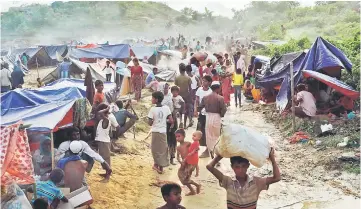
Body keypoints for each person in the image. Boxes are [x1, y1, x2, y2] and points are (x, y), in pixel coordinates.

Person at [206, 149, 281, 209]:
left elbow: (277, 178)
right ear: (232, 167)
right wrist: (221, 154)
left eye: (243, 166)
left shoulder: (257, 182)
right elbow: (209, 167)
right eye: (237, 167)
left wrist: (272, 159)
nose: (240, 170)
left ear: (248, 166)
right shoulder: (228, 181)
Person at [199, 81, 227, 159]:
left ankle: (211, 153)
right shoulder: (220, 98)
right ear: (218, 88)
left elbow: (200, 107)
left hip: (208, 117)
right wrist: (221, 115)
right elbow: (223, 109)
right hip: (216, 117)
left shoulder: (205, 97)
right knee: (217, 137)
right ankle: (216, 156)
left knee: (209, 137)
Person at [148, 91, 174, 174]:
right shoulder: (166, 108)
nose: (151, 99)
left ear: (156, 99)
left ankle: (156, 165)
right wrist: (163, 120)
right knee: (163, 149)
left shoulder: (152, 109)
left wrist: (150, 120)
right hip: (163, 131)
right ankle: (161, 167)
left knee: (155, 149)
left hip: (155, 131)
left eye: (152, 98)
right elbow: (171, 120)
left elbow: (150, 123)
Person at [95, 103, 121, 178]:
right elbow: (98, 114)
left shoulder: (106, 120)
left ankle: (108, 173)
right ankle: (107, 171)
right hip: (102, 141)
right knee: (103, 157)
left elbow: (99, 113)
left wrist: (107, 109)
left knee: (105, 158)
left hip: (104, 142)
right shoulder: (103, 119)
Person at [176, 129, 201, 196]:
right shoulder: (178, 147)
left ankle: (196, 186)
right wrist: (181, 162)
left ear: (184, 136)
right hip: (183, 164)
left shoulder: (188, 144)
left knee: (185, 179)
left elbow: (195, 149)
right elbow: (178, 157)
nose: (177, 138)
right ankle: (193, 189)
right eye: (176, 137)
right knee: (182, 177)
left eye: (179, 136)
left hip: (189, 164)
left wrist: (195, 165)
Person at [194, 75, 212, 158]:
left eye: (205, 81)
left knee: (207, 132)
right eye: (203, 80)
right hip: (201, 113)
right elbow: (196, 101)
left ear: (209, 82)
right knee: (199, 130)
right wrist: (195, 110)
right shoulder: (199, 90)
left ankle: (208, 150)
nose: (203, 82)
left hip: (208, 114)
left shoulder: (211, 91)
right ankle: (197, 148)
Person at [160, 83, 178, 165]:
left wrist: (173, 121)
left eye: (167, 88)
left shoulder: (171, 97)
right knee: (164, 140)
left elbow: (173, 110)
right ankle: (164, 158)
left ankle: (172, 158)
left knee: (172, 139)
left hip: (172, 120)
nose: (165, 90)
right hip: (163, 121)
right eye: (164, 88)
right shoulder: (159, 98)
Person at [175, 63, 192, 128]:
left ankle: (180, 121)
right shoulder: (188, 78)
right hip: (186, 95)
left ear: (179, 69)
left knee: (180, 110)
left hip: (179, 95)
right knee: (186, 110)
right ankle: (184, 124)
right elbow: (190, 89)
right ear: (185, 70)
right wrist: (190, 97)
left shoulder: (177, 78)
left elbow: (176, 88)